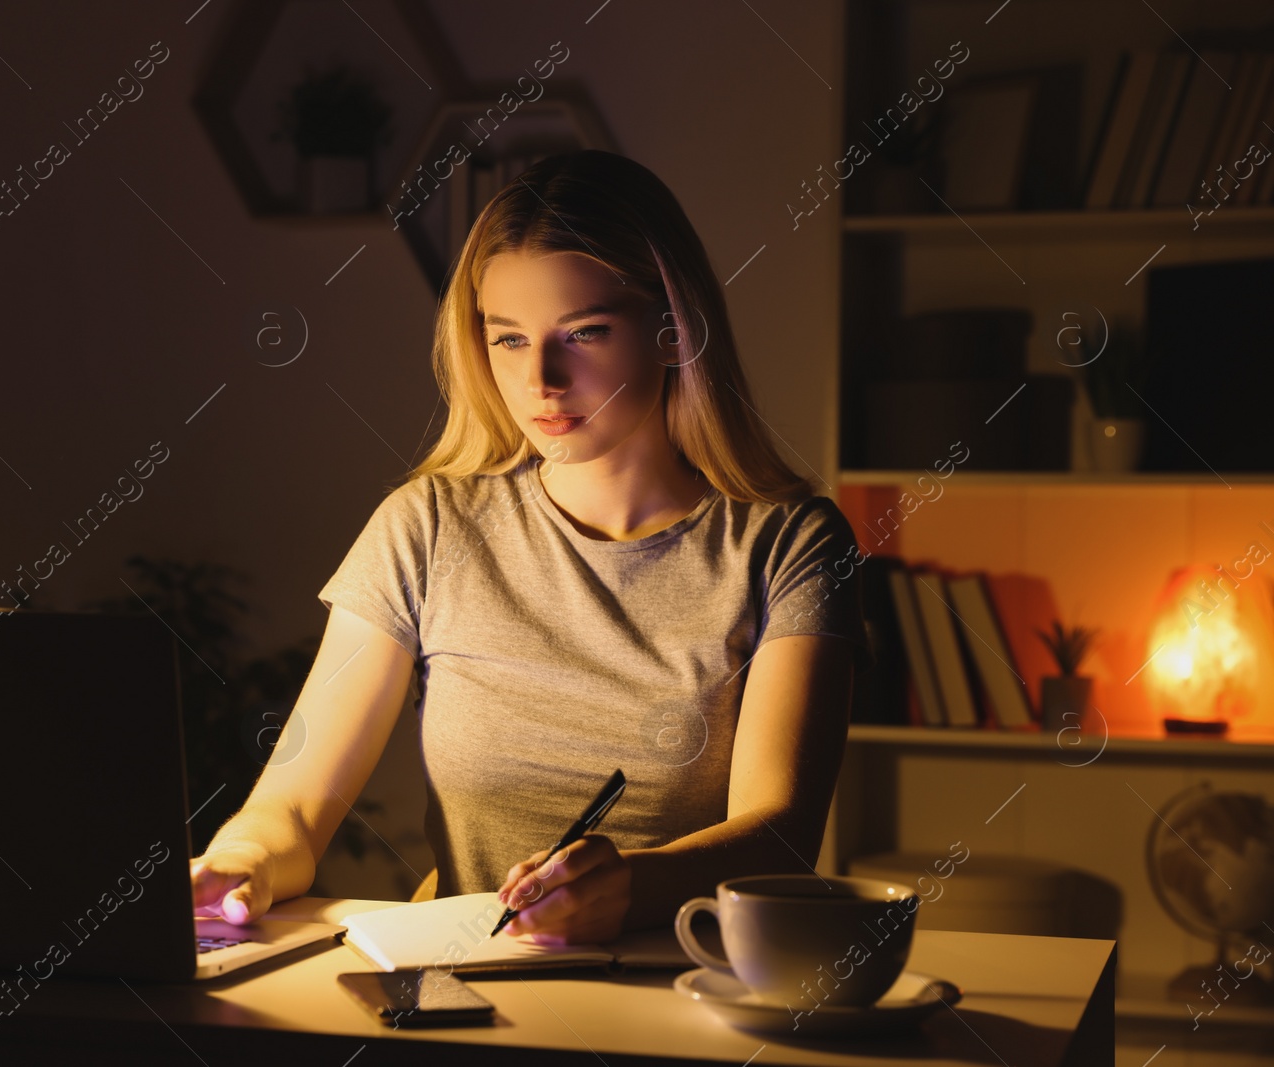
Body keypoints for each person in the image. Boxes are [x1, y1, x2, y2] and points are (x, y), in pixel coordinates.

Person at [191, 149, 864, 946]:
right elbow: (295, 804)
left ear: (672, 329)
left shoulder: (788, 543)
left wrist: (628, 887)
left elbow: (780, 837)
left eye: (584, 332)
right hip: (468, 998)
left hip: (682, 994)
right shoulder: (427, 526)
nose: (542, 378)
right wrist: (240, 856)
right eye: (508, 339)